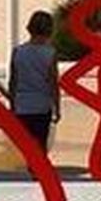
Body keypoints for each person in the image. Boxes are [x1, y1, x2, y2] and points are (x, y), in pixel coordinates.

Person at [8, 10, 60, 156]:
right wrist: (57, 106)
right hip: (42, 105)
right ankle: (39, 173)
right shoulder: (50, 53)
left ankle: (32, 170)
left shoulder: (18, 52)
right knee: (40, 143)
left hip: (22, 104)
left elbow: (13, 81)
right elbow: (53, 83)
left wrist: (12, 104)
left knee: (26, 146)